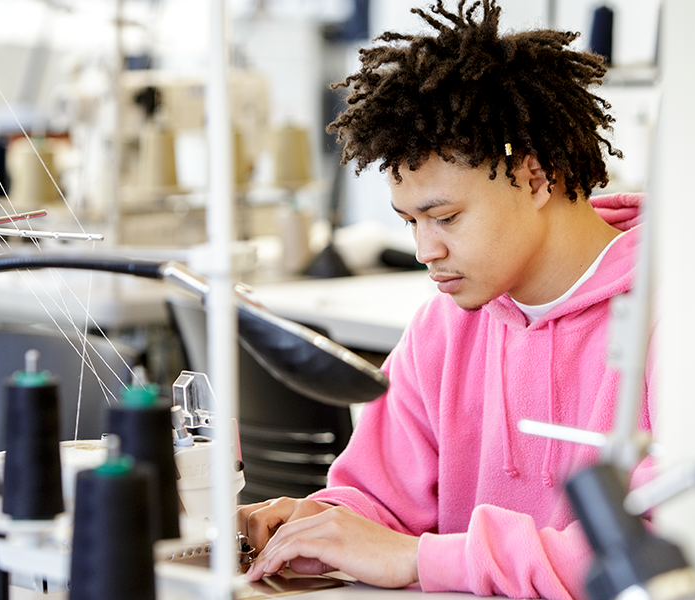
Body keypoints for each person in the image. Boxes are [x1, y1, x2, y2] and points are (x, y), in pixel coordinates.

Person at [236, 1, 654, 598]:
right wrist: (324, 525)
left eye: (446, 217)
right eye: (410, 222)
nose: (424, 250)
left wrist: (418, 559)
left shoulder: (673, 320)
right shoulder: (444, 326)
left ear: (535, 177)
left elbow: (672, 552)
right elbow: (382, 502)